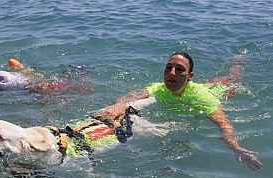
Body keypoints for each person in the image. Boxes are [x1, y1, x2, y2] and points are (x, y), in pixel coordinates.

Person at [97, 52, 262, 170]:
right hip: (205, 86)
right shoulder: (159, 88)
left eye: (179, 69)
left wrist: (237, 148)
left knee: (234, 78)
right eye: (168, 68)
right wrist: (118, 105)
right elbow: (132, 95)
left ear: (190, 76)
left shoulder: (202, 98)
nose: (172, 73)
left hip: (222, 90)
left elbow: (224, 123)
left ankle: (240, 61)